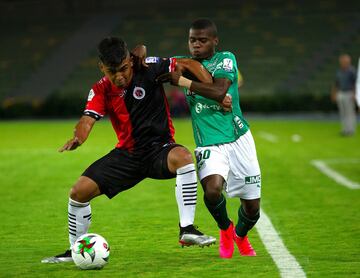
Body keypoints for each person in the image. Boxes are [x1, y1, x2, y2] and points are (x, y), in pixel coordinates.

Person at [41, 37, 216, 264]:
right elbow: (87, 119)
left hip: (159, 149)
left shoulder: (149, 67)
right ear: (101, 67)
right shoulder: (101, 89)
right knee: (78, 192)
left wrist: (213, 89)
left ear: (130, 61)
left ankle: (187, 229)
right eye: (112, 71)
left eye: (123, 69)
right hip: (128, 155)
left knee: (183, 157)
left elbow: (189, 64)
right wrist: (79, 136)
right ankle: (75, 250)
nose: (119, 76)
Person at [158, 18, 261, 259]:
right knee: (213, 191)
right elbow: (154, 67)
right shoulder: (184, 63)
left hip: (239, 139)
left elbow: (219, 91)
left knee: (253, 209)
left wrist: (182, 82)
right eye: (192, 40)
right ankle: (226, 229)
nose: (196, 45)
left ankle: (241, 236)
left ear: (215, 41)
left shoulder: (225, 58)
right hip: (209, 143)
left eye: (202, 40)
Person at [331, 54, 357, 136]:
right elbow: (336, 84)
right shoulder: (339, 71)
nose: (344, 63)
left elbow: (356, 83)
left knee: (350, 113)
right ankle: (344, 129)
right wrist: (334, 93)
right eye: (342, 61)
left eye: (346, 61)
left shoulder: (352, 71)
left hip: (349, 93)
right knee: (343, 113)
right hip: (341, 93)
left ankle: (351, 130)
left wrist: (355, 94)